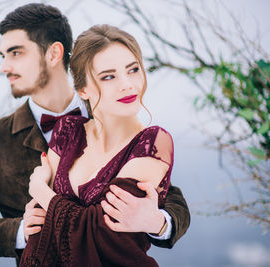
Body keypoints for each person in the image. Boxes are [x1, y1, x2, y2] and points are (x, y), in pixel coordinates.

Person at [0, 3, 189, 265]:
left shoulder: (111, 111)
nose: (4, 66)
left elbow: (167, 196)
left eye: (15, 53)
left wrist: (161, 223)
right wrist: (20, 231)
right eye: (3, 55)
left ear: (53, 53)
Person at [20, 24, 178, 266]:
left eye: (133, 70)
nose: (127, 84)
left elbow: (102, 231)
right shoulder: (67, 130)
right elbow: (40, 226)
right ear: (83, 89)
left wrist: (41, 189)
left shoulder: (153, 143)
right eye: (108, 76)